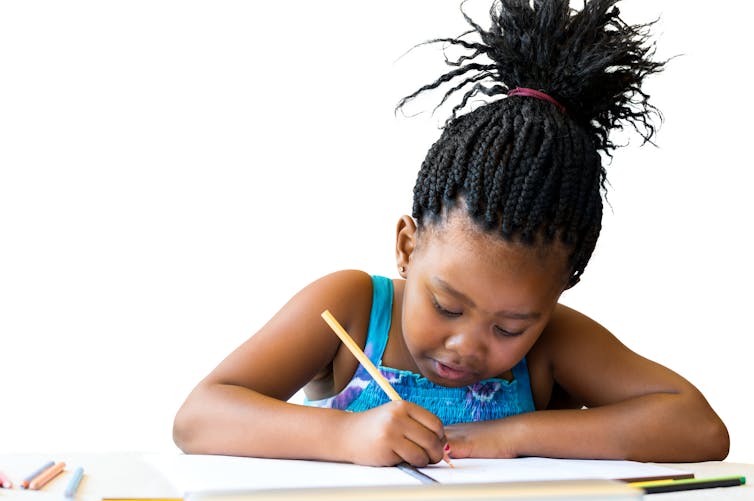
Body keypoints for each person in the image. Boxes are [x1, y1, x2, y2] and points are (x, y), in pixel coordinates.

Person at [172, 0, 729, 467]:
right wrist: (345, 437)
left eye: (511, 326)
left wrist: (514, 437)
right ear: (407, 248)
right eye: (447, 305)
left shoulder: (553, 343)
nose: (468, 345)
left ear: (553, 300)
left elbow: (700, 429)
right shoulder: (354, 307)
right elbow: (198, 418)